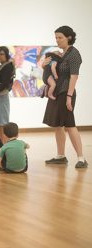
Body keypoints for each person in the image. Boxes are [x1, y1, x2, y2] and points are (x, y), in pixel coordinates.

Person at [43, 26, 88, 168]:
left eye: (60, 37)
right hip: (56, 93)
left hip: (66, 92)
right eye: (56, 37)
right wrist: (44, 65)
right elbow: (50, 70)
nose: (57, 40)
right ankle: (61, 156)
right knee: (57, 124)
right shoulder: (60, 54)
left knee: (69, 124)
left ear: (69, 37)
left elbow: (74, 76)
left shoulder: (74, 54)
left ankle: (81, 158)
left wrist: (69, 96)